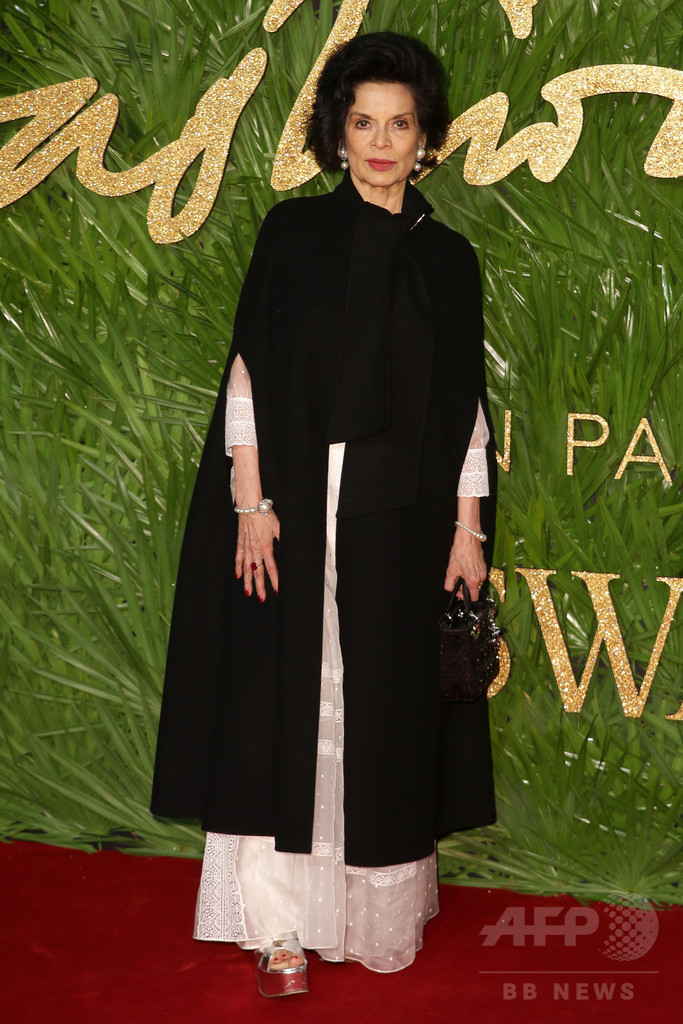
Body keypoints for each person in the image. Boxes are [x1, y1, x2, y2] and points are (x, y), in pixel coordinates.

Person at [150, 31, 497, 996]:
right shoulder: (292, 234)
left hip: (404, 522)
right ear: (337, 134)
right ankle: (277, 928)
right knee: (278, 699)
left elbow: (465, 412)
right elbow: (248, 375)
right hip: (294, 503)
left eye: (399, 124)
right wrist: (250, 501)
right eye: (363, 123)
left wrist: (468, 528)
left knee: (378, 705)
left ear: (425, 137)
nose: (380, 144)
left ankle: (365, 909)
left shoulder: (448, 261)